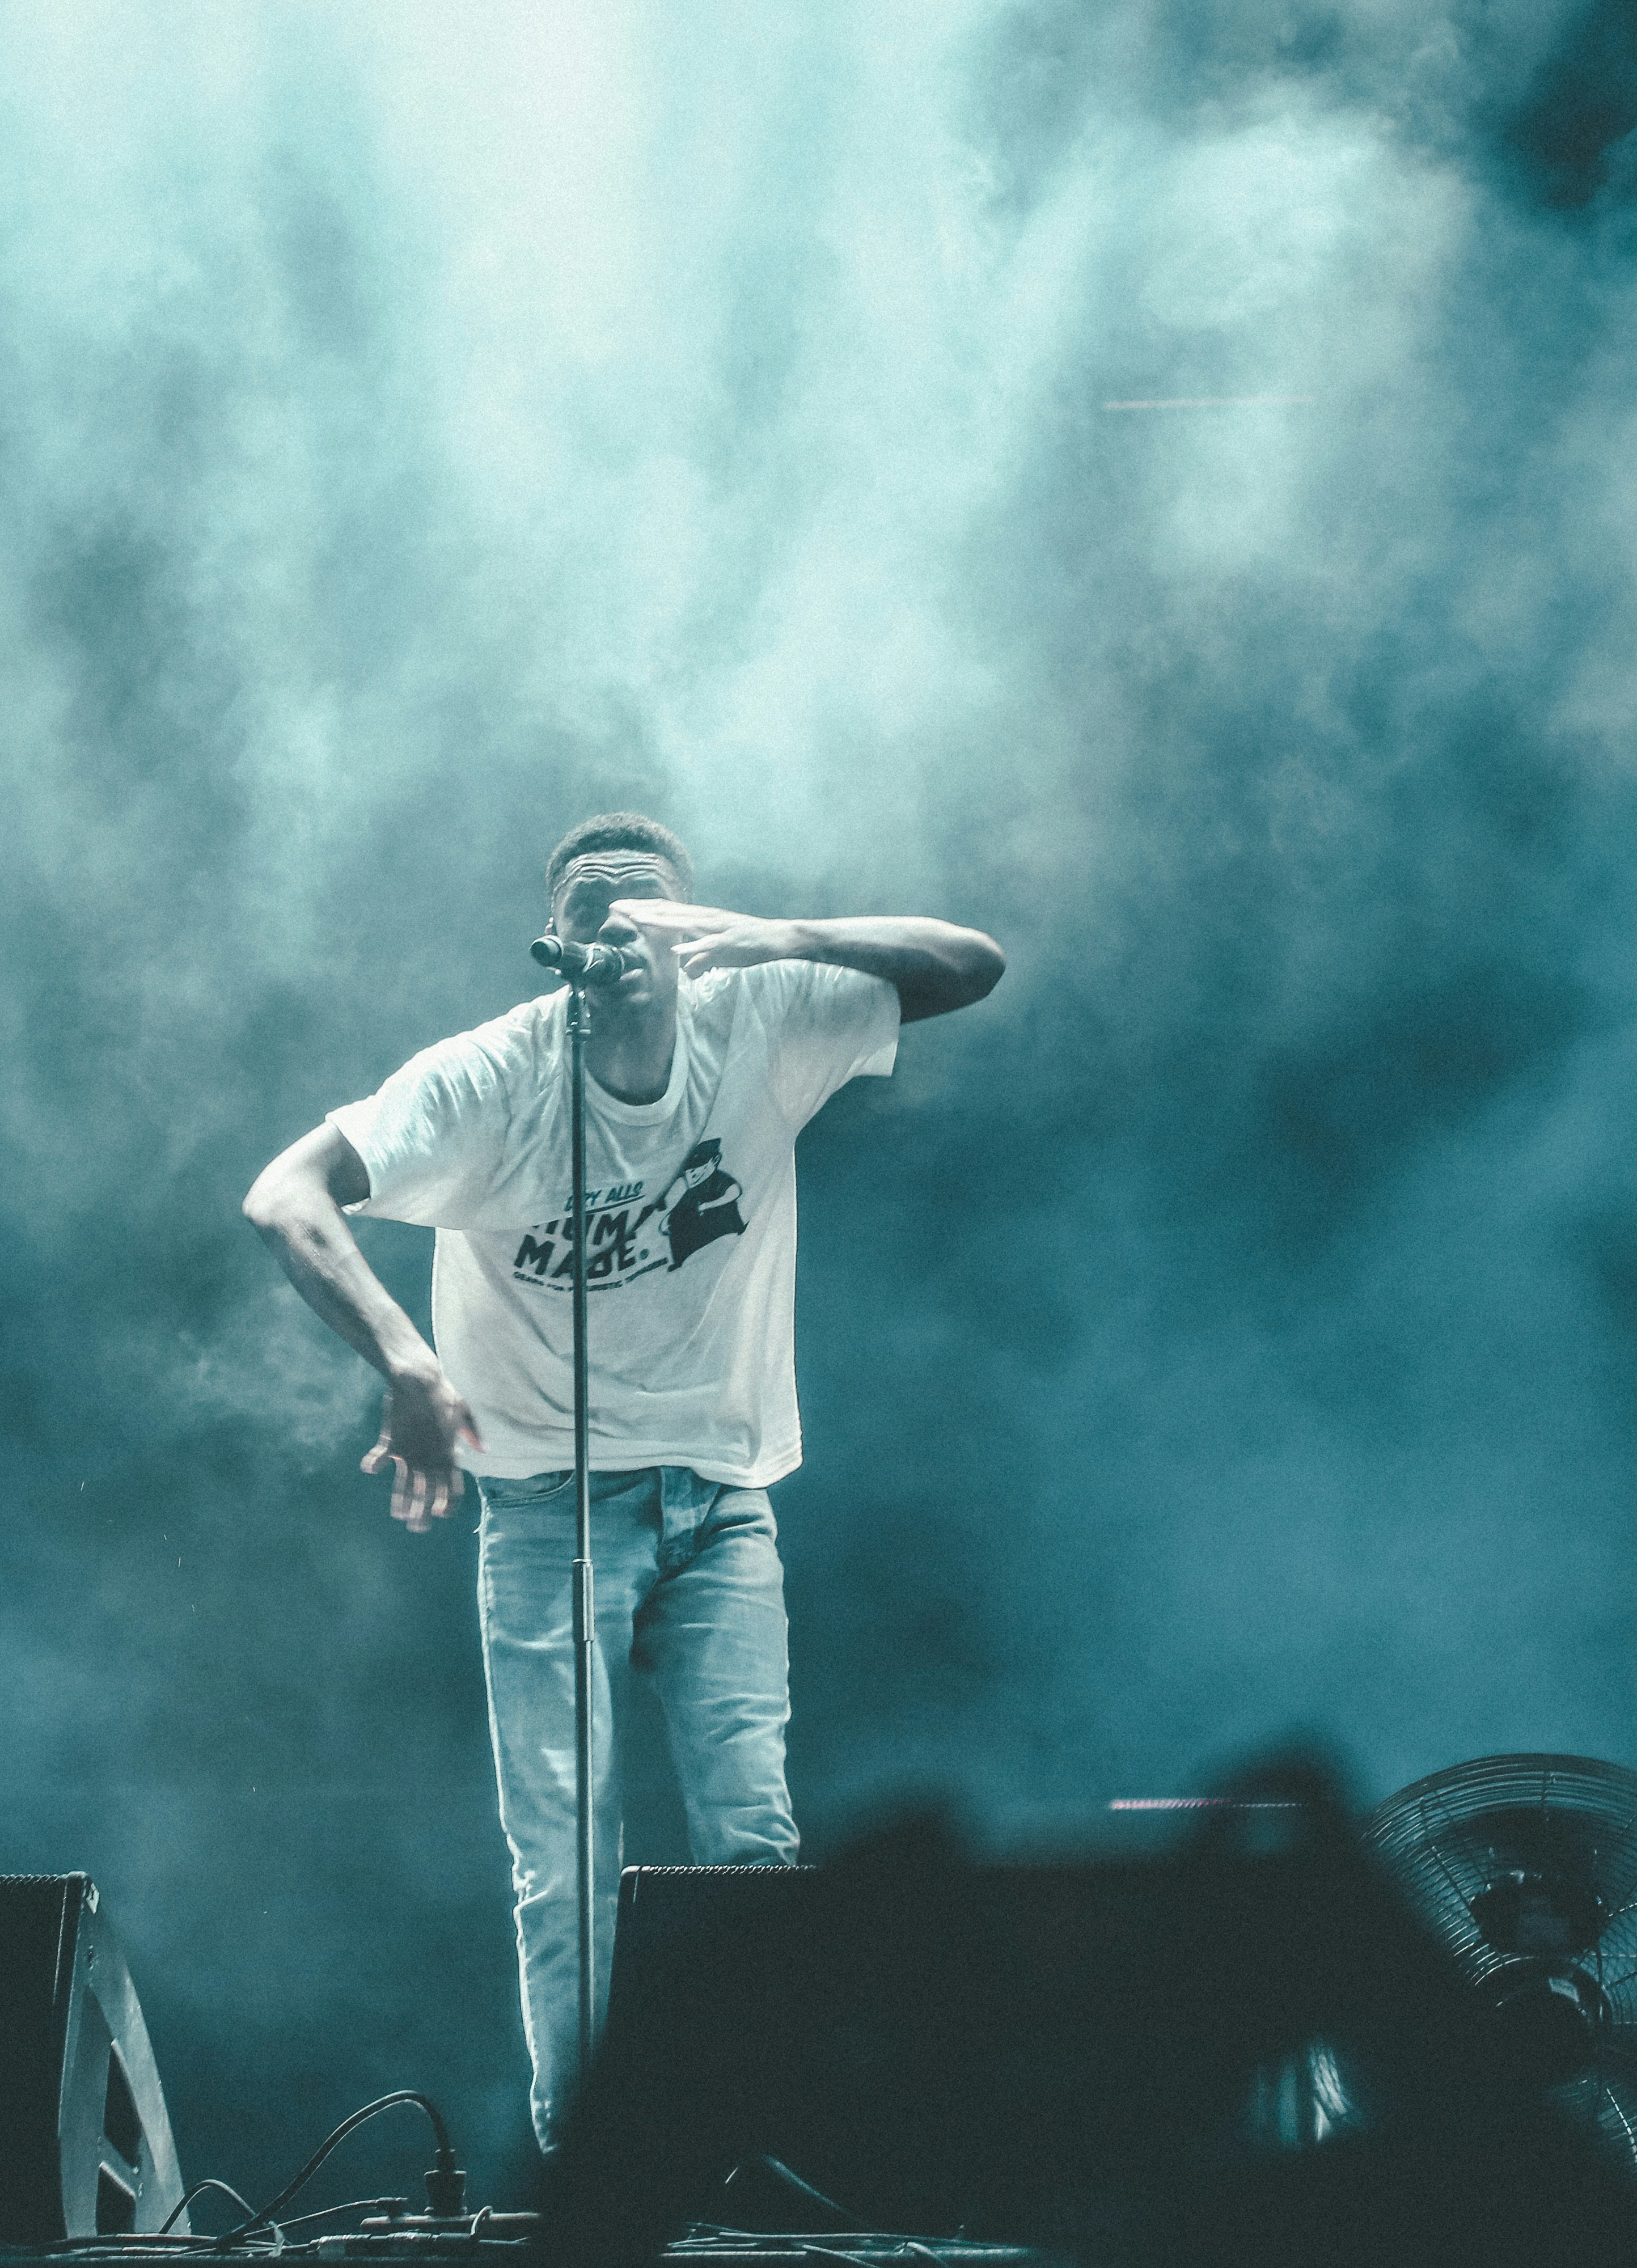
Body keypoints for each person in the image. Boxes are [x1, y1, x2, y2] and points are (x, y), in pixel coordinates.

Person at [242, 812, 1005, 2148]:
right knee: (565, 1858)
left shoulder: (765, 1012)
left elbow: (975, 961)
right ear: (562, 952)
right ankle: (589, 2174)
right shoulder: (491, 1079)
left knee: (751, 1835)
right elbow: (285, 1194)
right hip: (544, 1503)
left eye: (653, 917)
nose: (629, 943)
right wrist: (409, 1363)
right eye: (598, 923)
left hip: (722, 1491)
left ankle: (776, 2156)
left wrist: (785, 935)